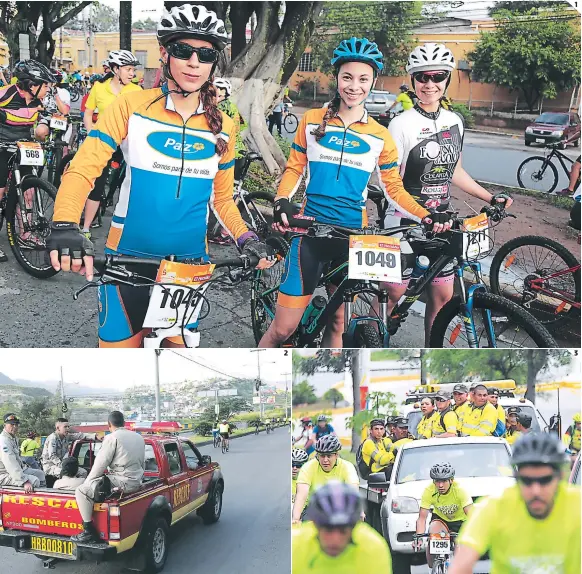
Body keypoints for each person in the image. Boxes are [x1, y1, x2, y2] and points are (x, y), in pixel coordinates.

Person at [48, 4, 273, 349]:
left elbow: (223, 200)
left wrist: (247, 240)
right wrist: (64, 223)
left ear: (214, 62)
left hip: (188, 268)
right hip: (126, 259)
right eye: (184, 50)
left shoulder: (224, 127)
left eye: (206, 54)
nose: (194, 62)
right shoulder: (131, 106)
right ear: (165, 53)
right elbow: (83, 168)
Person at [259, 37, 440, 350]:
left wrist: (427, 214)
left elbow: (393, 187)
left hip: (351, 236)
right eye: (347, 77)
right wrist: (281, 201)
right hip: (310, 233)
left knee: (339, 323)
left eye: (363, 79)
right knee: (283, 330)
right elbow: (294, 169)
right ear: (337, 78)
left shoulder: (380, 135)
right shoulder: (312, 120)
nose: (354, 86)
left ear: (372, 82)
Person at [382, 43, 513, 344]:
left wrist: (490, 197)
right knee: (394, 294)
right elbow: (392, 183)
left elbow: (454, 171)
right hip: (404, 221)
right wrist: (423, 214)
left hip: (443, 222)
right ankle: (377, 341)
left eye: (437, 76)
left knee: (441, 299)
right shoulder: (400, 124)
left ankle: (431, 355)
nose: (430, 84)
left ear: (447, 79)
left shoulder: (454, 122)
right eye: (422, 77)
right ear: (413, 80)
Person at [450, 432, 580, 574]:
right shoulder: (493, 507)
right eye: (527, 481)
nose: (535, 491)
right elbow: (460, 565)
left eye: (545, 480)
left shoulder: (577, 504)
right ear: (517, 478)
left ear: (560, 477)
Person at [79, 50, 142, 238]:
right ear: (115, 69)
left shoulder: (137, 91)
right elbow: (88, 113)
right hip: (104, 143)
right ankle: (86, 228)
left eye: (133, 70)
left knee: (134, 184)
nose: (132, 73)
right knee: (97, 186)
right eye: (128, 69)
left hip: (128, 145)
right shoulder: (99, 88)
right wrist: (92, 134)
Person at [0, 60, 54, 262]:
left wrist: (44, 127)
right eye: (45, 85)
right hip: (2, 146)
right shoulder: (6, 93)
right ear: (32, 85)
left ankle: (25, 234)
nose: (48, 89)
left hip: (24, 147)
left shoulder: (40, 101)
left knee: (28, 191)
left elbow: (46, 119)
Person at [73, 411, 145, 542]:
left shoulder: (112, 438)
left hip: (121, 482)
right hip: (136, 482)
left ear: (109, 424)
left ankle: (88, 530)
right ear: (124, 423)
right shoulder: (139, 438)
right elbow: (142, 463)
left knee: (81, 491)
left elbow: (100, 464)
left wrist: (88, 482)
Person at [292, 481, 392, 573]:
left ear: (354, 526)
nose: (335, 539)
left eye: (343, 530)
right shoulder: (294, 547)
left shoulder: (373, 549)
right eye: (328, 529)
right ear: (315, 525)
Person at [413, 462, 472, 569]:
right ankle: (437, 565)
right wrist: (419, 538)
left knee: (459, 553)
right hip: (441, 520)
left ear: (451, 480)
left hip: (460, 522)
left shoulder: (460, 491)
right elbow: (422, 519)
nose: (440, 485)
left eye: (444, 481)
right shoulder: (429, 491)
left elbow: (472, 515)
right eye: (437, 481)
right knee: (433, 531)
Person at [292, 435, 359, 523]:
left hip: (340, 509)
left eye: (329, 456)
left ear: (336, 455)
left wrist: (358, 513)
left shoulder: (347, 466)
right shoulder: (308, 467)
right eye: (322, 456)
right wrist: (296, 519)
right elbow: (301, 495)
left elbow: (353, 491)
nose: (325, 460)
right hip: (315, 509)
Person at [0, 413, 46, 492]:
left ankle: (46, 497)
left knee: (41, 474)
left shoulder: (12, 438)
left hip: (18, 469)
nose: (15, 427)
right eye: (12, 424)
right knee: (34, 481)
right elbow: (11, 464)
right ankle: (35, 502)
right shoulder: (4, 441)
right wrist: (24, 481)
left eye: (17, 424)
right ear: (5, 425)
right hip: (4, 473)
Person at [41, 417, 93, 485]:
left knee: (83, 472)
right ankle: (66, 491)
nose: (68, 429)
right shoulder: (53, 438)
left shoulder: (66, 436)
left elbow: (79, 436)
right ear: (58, 428)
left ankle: (77, 490)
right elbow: (52, 456)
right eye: (65, 427)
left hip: (64, 465)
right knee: (68, 474)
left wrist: (94, 436)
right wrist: (65, 466)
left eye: (68, 426)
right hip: (51, 466)